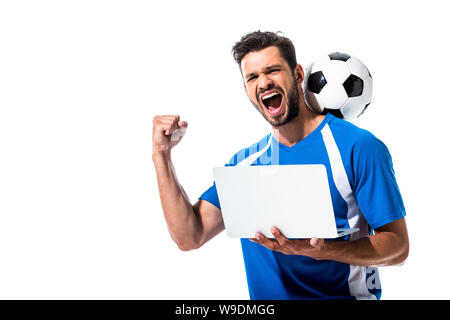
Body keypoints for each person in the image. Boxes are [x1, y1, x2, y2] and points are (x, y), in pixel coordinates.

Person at [152, 31, 409, 300]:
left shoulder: (357, 147)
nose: (263, 82)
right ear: (246, 89)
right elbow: (190, 236)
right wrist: (162, 155)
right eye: (252, 77)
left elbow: (398, 247)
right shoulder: (243, 167)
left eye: (272, 70)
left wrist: (322, 250)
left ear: (298, 74)